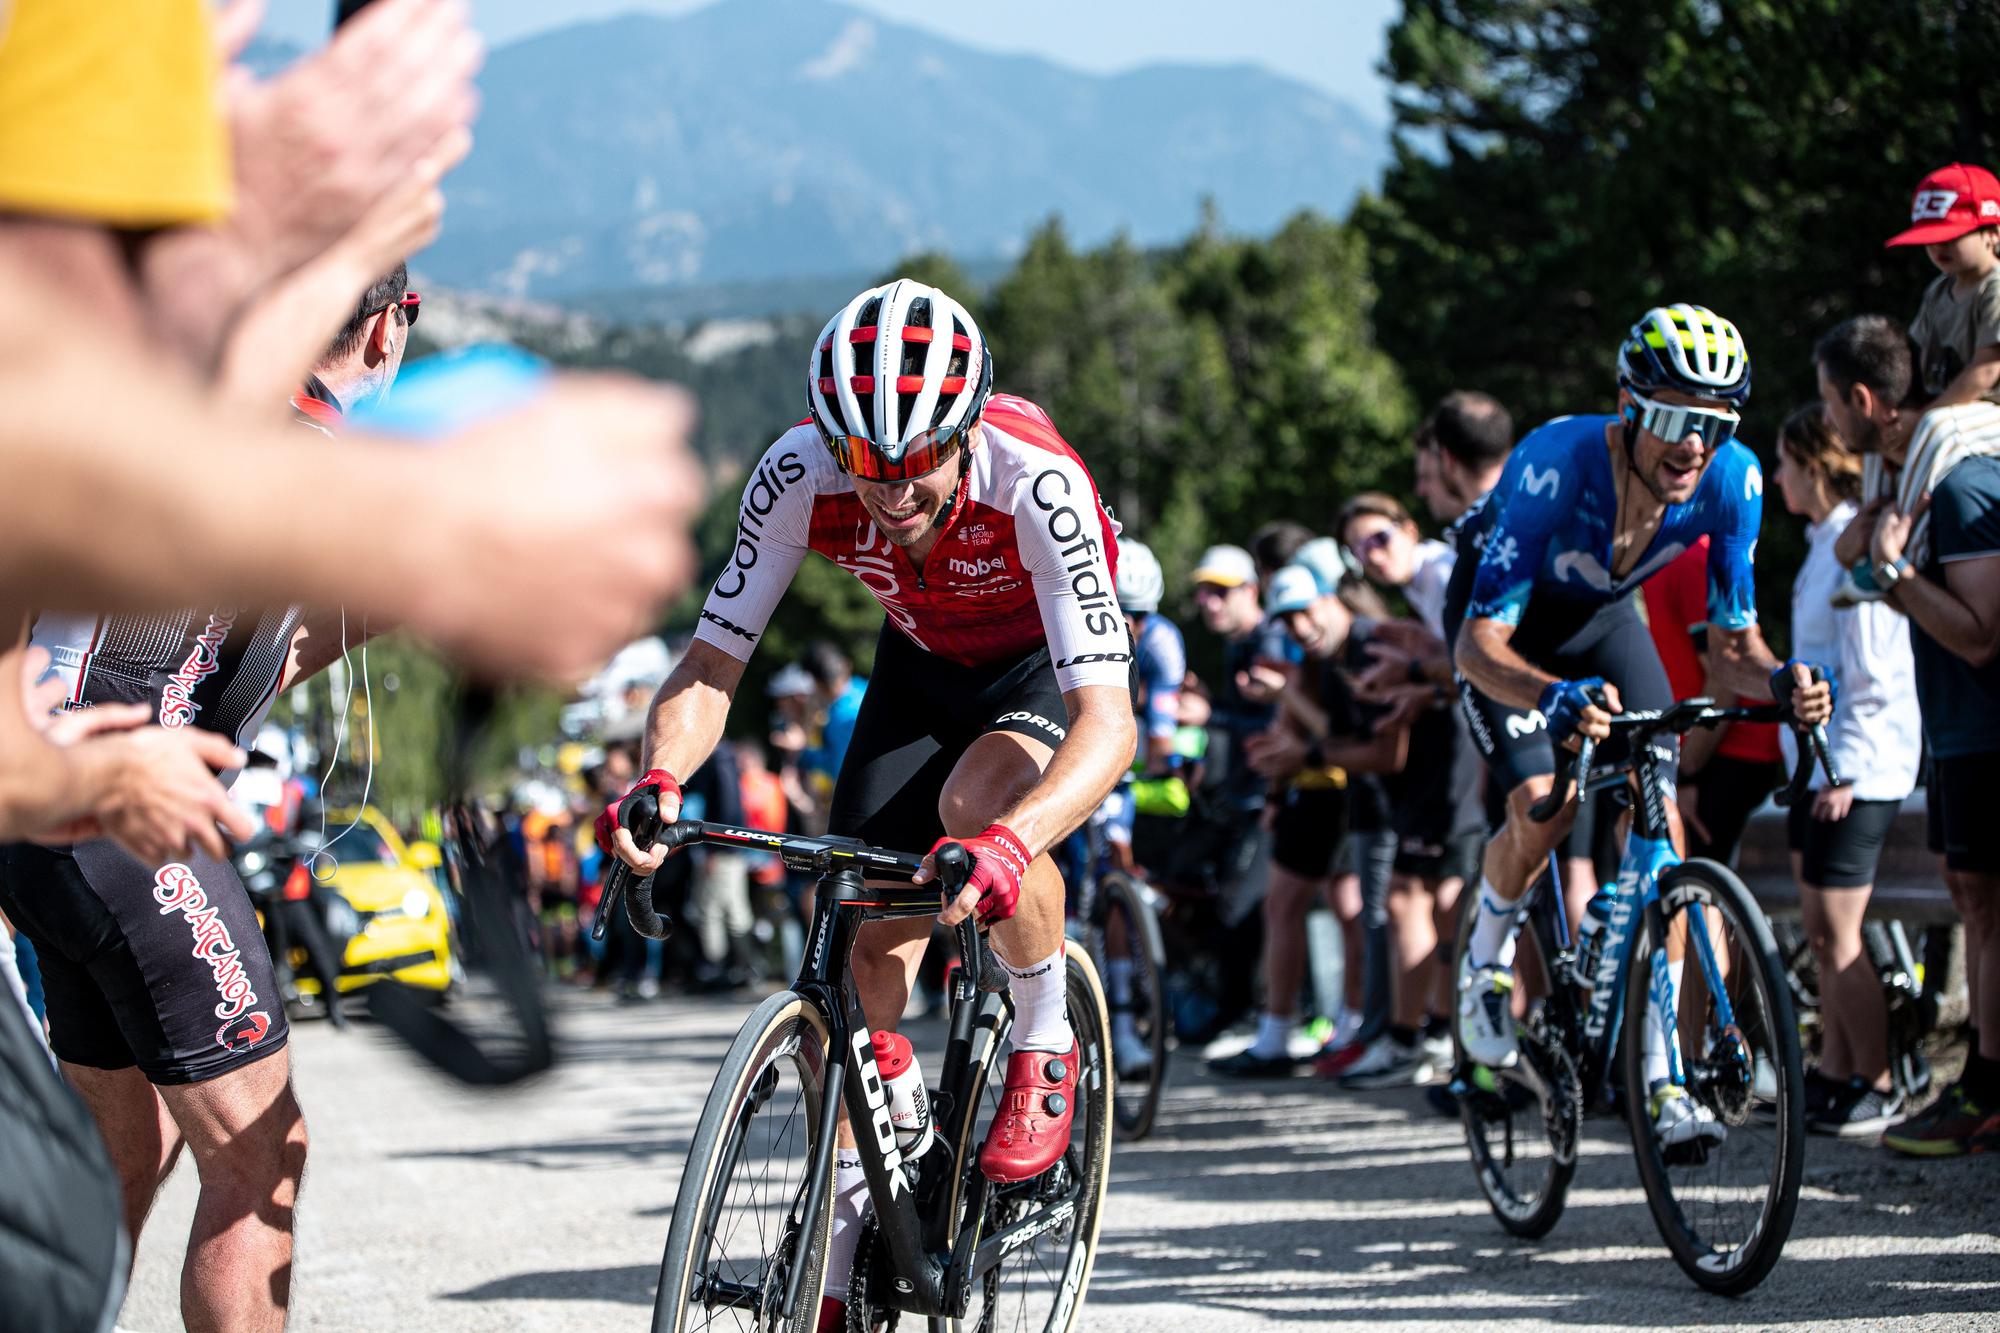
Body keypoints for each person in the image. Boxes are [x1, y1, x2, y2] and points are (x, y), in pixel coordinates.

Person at [602, 279, 1135, 1332]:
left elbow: (1107, 727)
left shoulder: (1036, 483)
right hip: (921, 663)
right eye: (862, 459)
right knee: (860, 961)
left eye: (915, 459)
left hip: (1041, 664)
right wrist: (660, 775)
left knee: (977, 802)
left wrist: (1009, 843)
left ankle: (1043, 1036)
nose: (888, 489)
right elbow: (710, 664)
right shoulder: (798, 472)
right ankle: (842, 1258)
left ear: (966, 428)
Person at [1452, 303, 1831, 1154]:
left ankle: (1662, 1075)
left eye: (1716, 423)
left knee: (1663, 827)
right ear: (1628, 407)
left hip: (1602, 620)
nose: (1695, 444)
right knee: (1547, 802)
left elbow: (1732, 646)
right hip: (1507, 631)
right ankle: (1484, 967)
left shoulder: (1734, 481)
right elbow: (1477, 646)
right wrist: (1548, 693)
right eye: (1675, 418)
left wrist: (1782, 680)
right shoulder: (1556, 462)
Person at [1817, 315, 2000, 1155]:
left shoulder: (1960, 483)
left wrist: (1891, 572)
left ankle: (1986, 1089)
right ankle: (1981, 1085)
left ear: (1864, 399)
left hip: (1983, 730)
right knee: (1974, 897)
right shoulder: (1907, 484)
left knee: (1986, 901)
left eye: (1829, 402)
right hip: (1954, 733)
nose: (1827, 422)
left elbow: (1980, 634)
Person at [1771, 403, 1922, 1137]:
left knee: (1840, 932)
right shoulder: (1821, 543)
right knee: (1820, 931)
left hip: (1855, 770)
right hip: (1817, 769)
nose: (1777, 478)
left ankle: (1880, 1080)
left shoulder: (1850, 543)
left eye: (1783, 463)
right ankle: (1835, 1073)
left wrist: (1845, 771)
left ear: (1812, 465)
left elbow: (1875, 673)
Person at [1639, 537, 1783, 865]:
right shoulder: (1660, 559)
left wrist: (1688, 773)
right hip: (1702, 746)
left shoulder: (1694, 560)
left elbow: (1724, 677)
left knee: (1700, 879)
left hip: (1728, 747)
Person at [1888, 162, 2000, 409]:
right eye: (1930, 238)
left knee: (1934, 427)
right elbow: (1914, 357)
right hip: (1948, 410)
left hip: (1991, 411)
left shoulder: (1995, 288)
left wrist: (1924, 417)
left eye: (1951, 237)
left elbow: (1987, 370)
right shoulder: (1938, 290)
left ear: (1992, 233)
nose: (1938, 246)